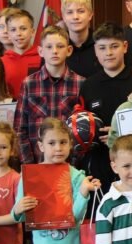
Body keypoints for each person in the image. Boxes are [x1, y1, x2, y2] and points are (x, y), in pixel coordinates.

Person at [79, 23, 132, 191]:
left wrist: (119, 133)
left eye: (114, 46)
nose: (109, 53)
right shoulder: (89, 85)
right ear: (95, 50)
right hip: (100, 161)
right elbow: (83, 124)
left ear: (125, 47)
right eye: (102, 48)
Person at [14, 27, 85, 164]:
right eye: (49, 47)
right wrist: (29, 165)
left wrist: (74, 163)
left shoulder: (80, 83)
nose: (54, 51)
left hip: (70, 164)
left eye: (60, 46)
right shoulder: (29, 83)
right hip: (37, 162)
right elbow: (19, 129)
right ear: (40, 51)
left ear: (69, 50)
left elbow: (82, 128)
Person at [0, 9, 42, 99]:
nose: (18, 33)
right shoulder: (1, 63)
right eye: (13, 30)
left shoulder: (43, 57)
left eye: (23, 28)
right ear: (8, 34)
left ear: (32, 32)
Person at [62, 0, 100, 79]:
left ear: (90, 15)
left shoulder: (101, 43)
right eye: (70, 12)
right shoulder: (56, 46)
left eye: (81, 11)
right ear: (64, 17)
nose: (75, 17)